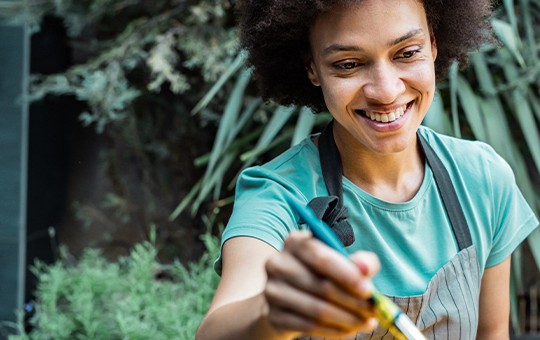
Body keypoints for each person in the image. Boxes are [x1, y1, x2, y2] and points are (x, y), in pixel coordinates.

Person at [196, 0, 539, 339]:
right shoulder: (276, 196)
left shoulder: (484, 178)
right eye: (348, 64)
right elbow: (216, 331)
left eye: (406, 53)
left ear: (433, 44)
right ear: (312, 68)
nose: (386, 91)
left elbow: (492, 334)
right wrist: (272, 313)